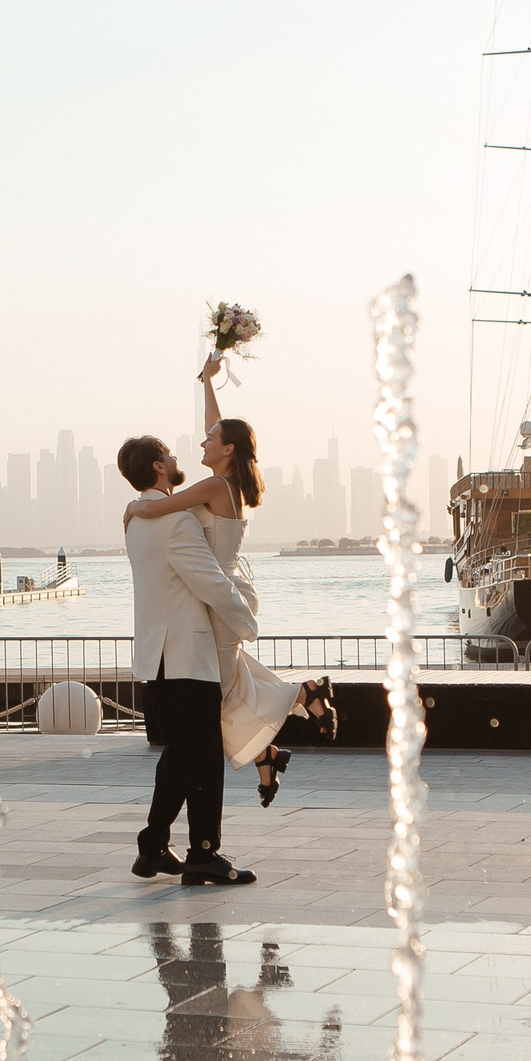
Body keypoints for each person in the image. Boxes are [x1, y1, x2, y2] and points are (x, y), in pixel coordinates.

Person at [123, 354, 335, 806]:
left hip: (222, 596)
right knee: (218, 697)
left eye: (210, 441)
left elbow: (161, 506)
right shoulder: (227, 478)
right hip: (225, 588)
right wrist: (206, 382)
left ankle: (296, 704)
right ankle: (275, 741)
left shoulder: (216, 487)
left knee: (211, 703)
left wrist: (134, 509)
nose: (201, 443)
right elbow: (218, 424)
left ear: (228, 450)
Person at [118, 428, 262, 886]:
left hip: (156, 659)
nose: (178, 456)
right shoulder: (176, 522)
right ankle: (203, 854)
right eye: (169, 454)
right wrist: (247, 622)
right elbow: (211, 584)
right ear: (159, 467)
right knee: (202, 759)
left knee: (180, 756)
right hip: (187, 655)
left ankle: (154, 847)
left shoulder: (137, 521)